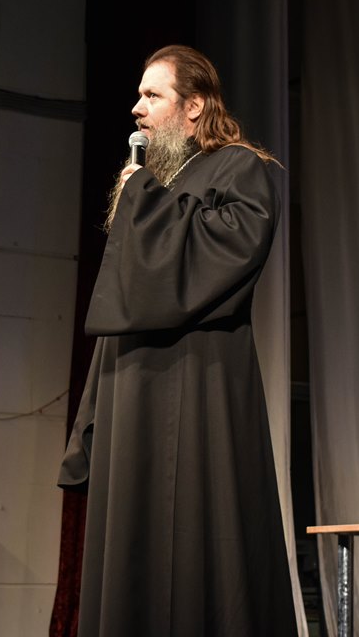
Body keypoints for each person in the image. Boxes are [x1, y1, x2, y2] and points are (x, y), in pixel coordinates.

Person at [59, 45, 296, 636]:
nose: (136, 108)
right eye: (138, 95)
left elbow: (226, 253)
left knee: (196, 540)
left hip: (196, 384)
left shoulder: (238, 167)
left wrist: (142, 199)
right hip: (132, 389)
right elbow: (122, 306)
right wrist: (90, 421)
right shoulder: (160, 181)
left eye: (152, 95)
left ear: (194, 107)